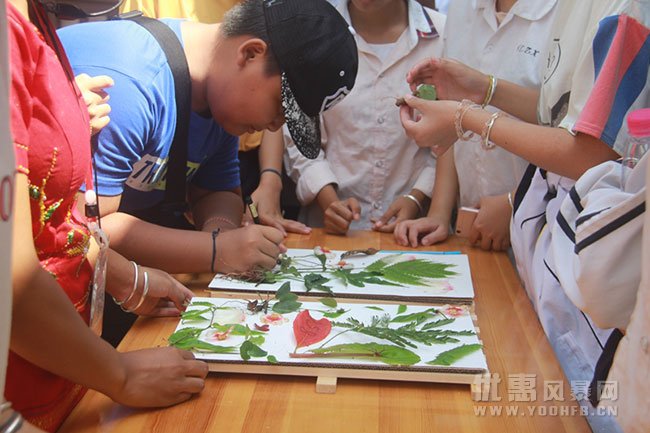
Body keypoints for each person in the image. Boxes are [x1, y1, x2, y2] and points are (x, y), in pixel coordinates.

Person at [397, 0, 648, 428]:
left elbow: (593, 149)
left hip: (590, 255)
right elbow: (561, 112)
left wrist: (468, 118)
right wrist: (483, 88)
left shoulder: (622, 9)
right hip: (552, 249)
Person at [6, 0, 210, 430]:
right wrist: (119, 374)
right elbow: (12, 278)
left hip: (63, 377)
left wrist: (123, 277)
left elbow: (55, 223)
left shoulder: (35, 23)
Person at [57, 0, 358, 275]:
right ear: (250, 54)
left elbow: (218, 191)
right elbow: (88, 227)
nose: (273, 125)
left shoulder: (220, 97)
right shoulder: (131, 85)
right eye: (281, 108)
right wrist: (215, 251)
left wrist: (221, 230)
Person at [395, 0, 557, 251]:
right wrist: (439, 213)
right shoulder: (463, 8)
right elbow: (455, 118)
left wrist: (516, 201)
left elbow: (575, 132)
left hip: (544, 225)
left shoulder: (568, 12)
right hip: (474, 224)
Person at [282, 0, 443, 235]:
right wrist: (329, 200)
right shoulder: (311, 34)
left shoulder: (443, 37)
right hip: (329, 237)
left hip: (417, 234)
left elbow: (454, 137)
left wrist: (416, 197)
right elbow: (299, 133)